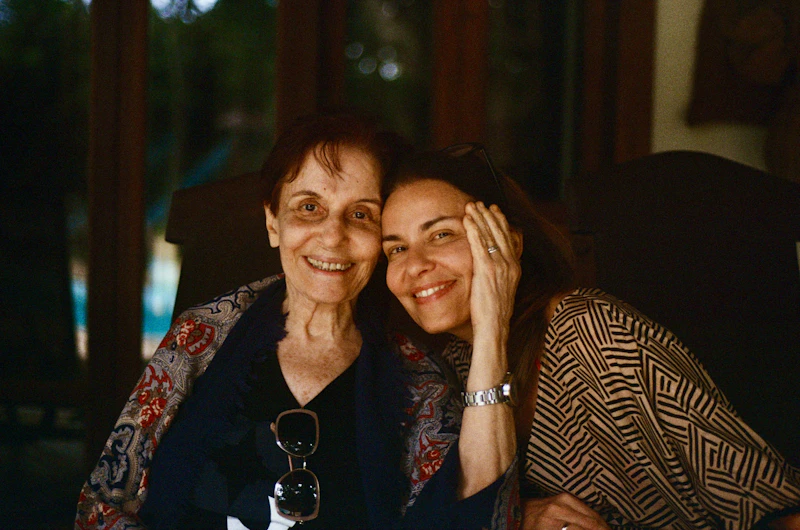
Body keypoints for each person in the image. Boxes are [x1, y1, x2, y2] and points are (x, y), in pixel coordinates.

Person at [75, 114, 519, 529]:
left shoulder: (417, 378)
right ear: (273, 222)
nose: (332, 235)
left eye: (361, 214)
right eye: (309, 207)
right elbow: (103, 503)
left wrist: (491, 328)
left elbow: (472, 517)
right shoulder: (201, 336)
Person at [379, 145, 800, 530]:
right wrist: (519, 512)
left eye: (441, 235)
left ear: (508, 243)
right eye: (396, 248)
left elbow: (771, 504)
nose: (415, 265)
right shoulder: (446, 368)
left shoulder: (588, 330)